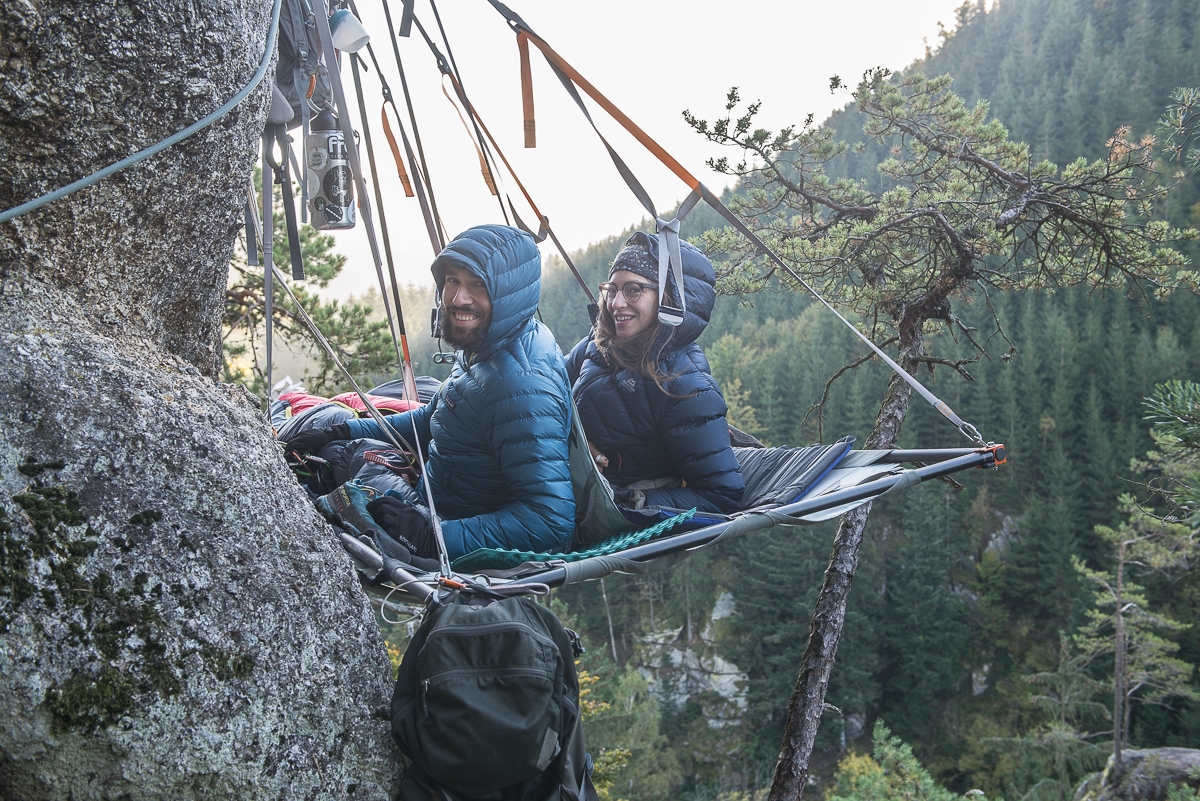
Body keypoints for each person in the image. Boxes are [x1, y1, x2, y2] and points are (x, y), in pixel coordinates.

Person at [284, 225, 575, 559]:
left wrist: (431, 536)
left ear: (510, 293)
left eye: (477, 284)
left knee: (341, 464)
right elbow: (432, 418)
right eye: (452, 280)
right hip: (437, 501)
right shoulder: (488, 343)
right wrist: (344, 429)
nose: (457, 299)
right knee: (338, 443)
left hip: (454, 528)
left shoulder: (521, 386)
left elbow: (550, 521)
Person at [566, 231, 744, 514]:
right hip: (562, 485)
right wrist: (572, 437)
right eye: (612, 290)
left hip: (605, 516)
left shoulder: (686, 387)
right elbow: (548, 386)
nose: (616, 303)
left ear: (667, 298)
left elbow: (721, 495)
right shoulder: (600, 345)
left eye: (633, 290)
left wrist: (635, 503)